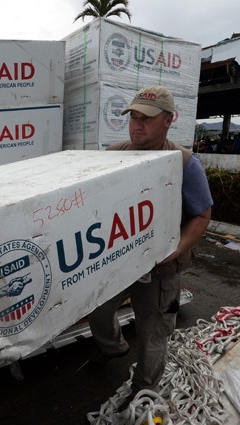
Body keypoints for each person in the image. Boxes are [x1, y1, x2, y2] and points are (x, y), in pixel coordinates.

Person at [88, 86, 213, 408]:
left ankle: (143, 390)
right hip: (116, 262)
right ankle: (113, 347)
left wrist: (173, 251)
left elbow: (202, 215)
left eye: (147, 118)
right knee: (98, 313)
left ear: (170, 120)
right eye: (133, 117)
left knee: (153, 333)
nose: (136, 125)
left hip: (161, 268)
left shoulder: (184, 163)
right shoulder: (114, 155)